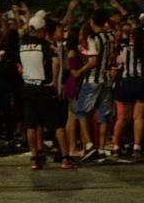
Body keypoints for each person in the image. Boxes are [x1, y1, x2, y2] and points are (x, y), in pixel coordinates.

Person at [19, 15, 74, 170]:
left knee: (31, 125)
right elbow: (56, 62)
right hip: (43, 87)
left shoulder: (23, 44)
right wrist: (54, 82)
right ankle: (65, 158)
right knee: (57, 124)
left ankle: (34, 159)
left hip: (28, 86)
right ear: (42, 30)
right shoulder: (45, 45)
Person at [73, 9, 115, 162]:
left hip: (92, 80)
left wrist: (79, 71)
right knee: (104, 115)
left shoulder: (93, 38)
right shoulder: (110, 36)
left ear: (92, 21)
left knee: (81, 112)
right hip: (107, 79)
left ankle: (90, 145)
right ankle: (102, 150)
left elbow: (93, 61)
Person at [112, 26, 144, 159]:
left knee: (122, 118)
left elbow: (117, 68)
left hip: (127, 83)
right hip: (142, 83)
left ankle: (116, 146)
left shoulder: (124, 50)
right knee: (139, 117)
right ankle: (137, 147)